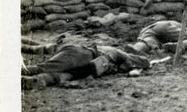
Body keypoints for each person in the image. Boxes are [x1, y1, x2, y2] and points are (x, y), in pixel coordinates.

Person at [21, 34, 150, 89]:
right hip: (81, 54)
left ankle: (32, 81)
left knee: (61, 76)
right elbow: (129, 67)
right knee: (46, 67)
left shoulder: (114, 60)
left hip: (85, 64)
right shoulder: (120, 54)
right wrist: (134, 68)